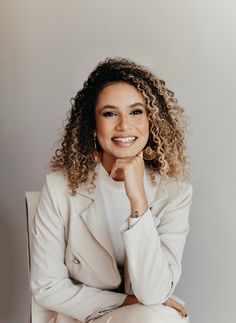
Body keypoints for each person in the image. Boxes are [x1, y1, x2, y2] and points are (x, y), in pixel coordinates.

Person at [31, 58, 193, 323]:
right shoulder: (60, 187)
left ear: (152, 120)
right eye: (110, 113)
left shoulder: (175, 192)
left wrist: (137, 198)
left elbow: (153, 292)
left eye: (136, 112)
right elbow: (47, 287)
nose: (124, 126)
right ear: (93, 126)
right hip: (82, 316)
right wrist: (127, 303)